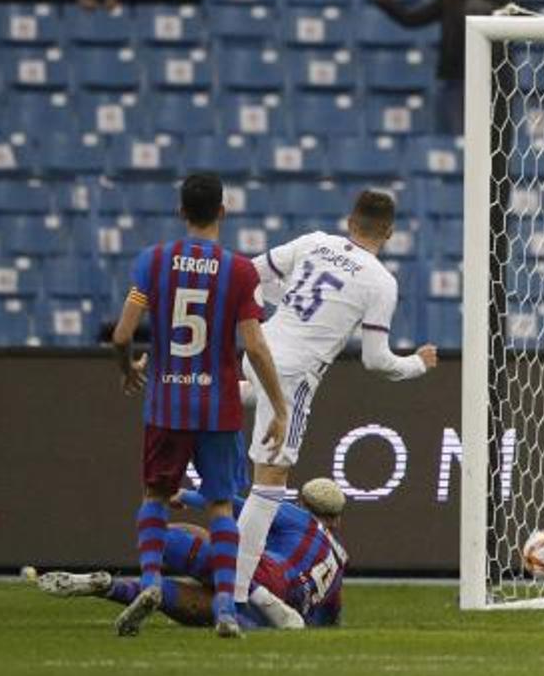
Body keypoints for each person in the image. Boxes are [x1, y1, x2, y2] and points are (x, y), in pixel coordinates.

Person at [230, 190, 436, 611]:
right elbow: (376, 361)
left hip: (258, 350)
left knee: (253, 397)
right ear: (390, 233)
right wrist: (418, 363)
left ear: (350, 222)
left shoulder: (314, 242)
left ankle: (200, 393)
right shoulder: (381, 281)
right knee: (270, 483)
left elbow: (248, 274)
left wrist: (278, 301)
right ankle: (235, 594)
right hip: (291, 375)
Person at [109, 172, 291, 639]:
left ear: (181, 212)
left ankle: (151, 581)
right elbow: (254, 345)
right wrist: (279, 405)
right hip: (218, 407)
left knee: (155, 496)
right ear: (223, 211)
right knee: (220, 507)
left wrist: (128, 368)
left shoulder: (153, 262)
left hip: (166, 404)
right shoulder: (240, 271)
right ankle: (226, 608)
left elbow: (123, 334)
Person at [39, 479, 349, 631]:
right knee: (206, 605)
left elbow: (233, 504)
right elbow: (330, 618)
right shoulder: (339, 561)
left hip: (266, 577)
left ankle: (109, 586)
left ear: (304, 503)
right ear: (336, 519)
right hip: (286, 606)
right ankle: (108, 586)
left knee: (164, 536)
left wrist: (185, 494)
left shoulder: (297, 517)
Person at [368, 0, 515, 136]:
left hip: (496, 82)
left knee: (495, 141)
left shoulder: (504, 1)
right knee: (459, 140)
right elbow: (411, 19)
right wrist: (384, 1)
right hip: (456, 79)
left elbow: (535, 23)